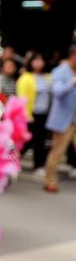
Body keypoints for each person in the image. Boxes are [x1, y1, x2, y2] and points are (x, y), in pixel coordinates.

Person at [43, 45, 76, 193]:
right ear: (72, 55)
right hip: (64, 120)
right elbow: (57, 92)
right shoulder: (60, 71)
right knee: (57, 152)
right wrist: (72, 83)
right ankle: (50, 181)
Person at [17, 52, 52, 173]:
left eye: (41, 60)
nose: (39, 63)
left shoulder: (48, 77)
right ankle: (12, 159)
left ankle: (39, 165)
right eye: (36, 60)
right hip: (31, 114)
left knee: (40, 141)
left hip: (44, 113)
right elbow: (22, 98)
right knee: (25, 141)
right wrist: (26, 115)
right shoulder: (25, 78)